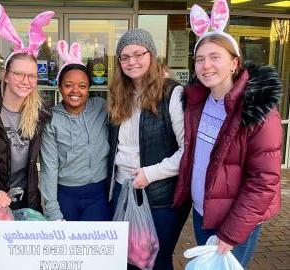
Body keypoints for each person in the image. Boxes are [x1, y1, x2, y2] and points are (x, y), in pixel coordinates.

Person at [173, 0, 282, 268]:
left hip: (234, 221)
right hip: (203, 213)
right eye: (200, 58)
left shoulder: (258, 110)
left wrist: (231, 233)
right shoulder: (197, 103)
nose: (205, 65)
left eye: (214, 57)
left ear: (234, 63)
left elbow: (264, 181)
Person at [0, 5, 54, 269]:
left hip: (26, 201)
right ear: (6, 75)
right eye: (18, 73)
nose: (25, 80)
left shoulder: (39, 112)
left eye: (31, 75)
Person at [107, 28, 190, 270]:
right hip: (122, 191)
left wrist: (150, 174)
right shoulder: (119, 95)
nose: (132, 61)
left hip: (159, 198)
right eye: (125, 56)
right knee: (127, 261)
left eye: (138, 54)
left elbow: (187, 152)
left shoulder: (172, 93)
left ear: (151, 55)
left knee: (156, 261)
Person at [40, 41, 111, 221]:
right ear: (60, 87)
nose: (75, 91)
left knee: (97, 247)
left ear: (89, 88)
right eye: (68, 85)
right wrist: (52, 210)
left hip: (99, 195)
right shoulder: (51, 120)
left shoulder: (101, 108)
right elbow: (49, 168)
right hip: (66, 196)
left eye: (82, 85)